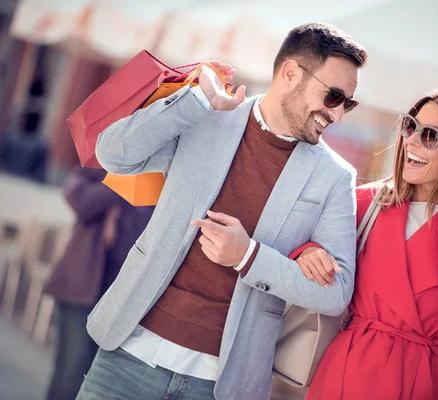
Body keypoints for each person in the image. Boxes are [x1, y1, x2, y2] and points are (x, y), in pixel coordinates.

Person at [76, 23, 367, 400]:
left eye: (349, 103)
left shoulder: (334, 177)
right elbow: (112, 155)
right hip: (127, 356)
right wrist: (195, 100)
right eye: (333, 96)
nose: (339, 114)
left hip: (220, 384)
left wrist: (249, 256)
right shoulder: (204, 117)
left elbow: (336, 293)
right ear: (291, 73)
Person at [293, 89, 438, 399]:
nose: (411, 140)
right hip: (345, 374)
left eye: (429, 135)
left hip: (420, 383)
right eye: (409, 126)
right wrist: (307, 251)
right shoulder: (366, 203)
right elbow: (296, 239)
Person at [43, 166, 153, 400]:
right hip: (81, 290)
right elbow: (82, 202)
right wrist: (127, 177)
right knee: (71, 372)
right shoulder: (99, 169)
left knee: (96, 381)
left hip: (122, 300)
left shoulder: (157, 184)